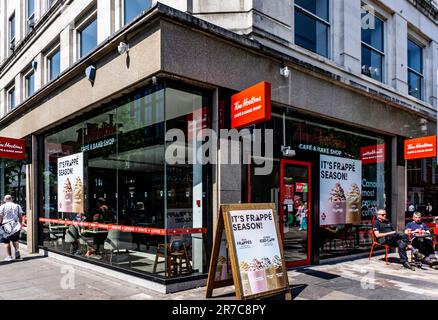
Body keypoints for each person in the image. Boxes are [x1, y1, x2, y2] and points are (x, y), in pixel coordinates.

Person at [0, 195, 24, 261]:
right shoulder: (17, 206)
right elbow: (20, 217)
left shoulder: (2, 207)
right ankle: (17, 255)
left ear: (5, 200)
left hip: (6, 225)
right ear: (11, 199)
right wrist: (20, 225)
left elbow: (0, 217)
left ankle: (9, 256)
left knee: (6, 242)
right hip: (16, 225)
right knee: (15, 241)